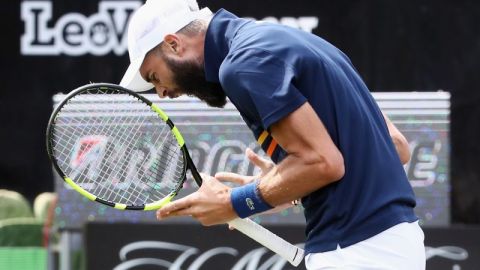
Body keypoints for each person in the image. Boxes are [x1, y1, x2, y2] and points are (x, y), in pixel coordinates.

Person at [120, 0, 426, 269]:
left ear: (174, 43)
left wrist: (233, 203)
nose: (161, 92)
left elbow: (322, 163)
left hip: (356, 254)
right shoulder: (293, 41)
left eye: (154, 77)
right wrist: (286, 183)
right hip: (399, 244)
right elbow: (397, 147)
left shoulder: (244, 62)